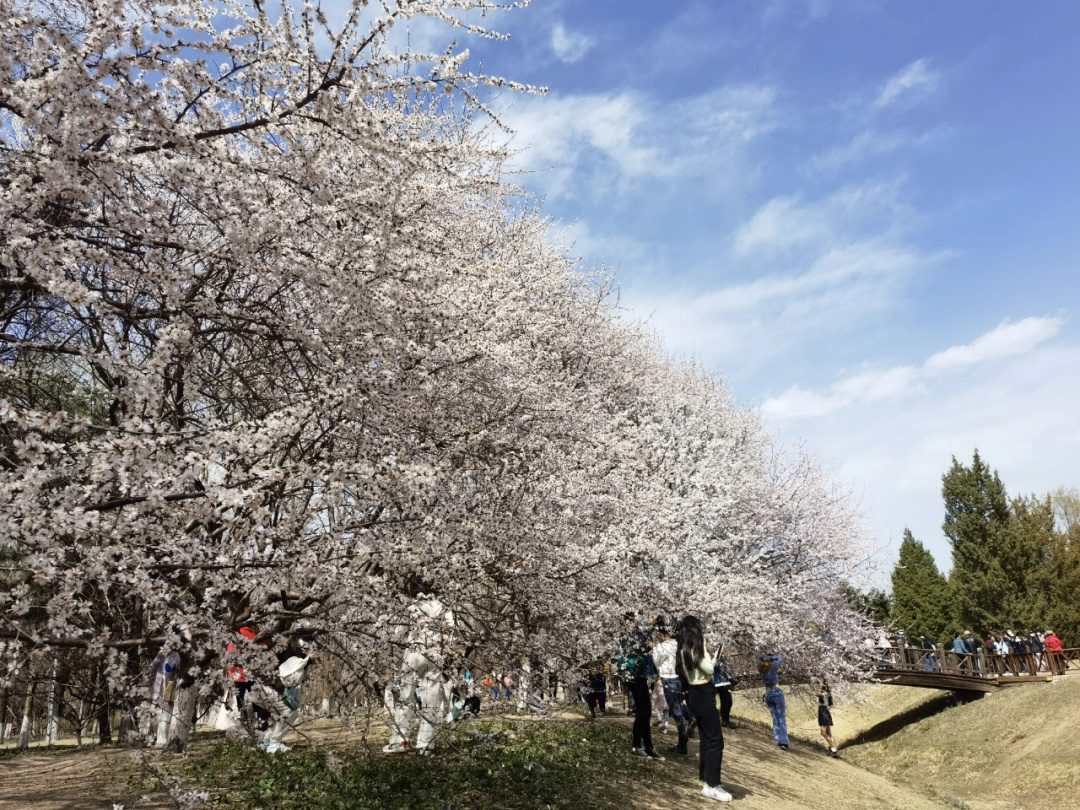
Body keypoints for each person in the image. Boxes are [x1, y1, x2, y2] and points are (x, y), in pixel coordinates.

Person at [383, 596, 455, 755]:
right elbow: (449, 635)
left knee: (405, 698)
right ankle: (425, 745)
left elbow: (397, 632)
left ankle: (399, 742)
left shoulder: (413, 605)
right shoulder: (444, 608)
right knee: (431, 701)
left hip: (414, 653)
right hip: (435, 655)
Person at [677, 615, 731, 803]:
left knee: (706, 739)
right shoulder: (695, 649)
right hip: (703, 694)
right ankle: (712, 785)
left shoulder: (683, 649)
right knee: (715, 740)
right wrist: (709, 653)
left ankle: (706, 778)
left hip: (694, 693)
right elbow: (708, 669)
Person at [617, 615, 663, 760]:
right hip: (634, 674)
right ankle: (636, 745)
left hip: (639, 674)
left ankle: (648, 746)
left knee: (645, 711)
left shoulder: (640, 633)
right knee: (644, 711)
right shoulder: (634, 633)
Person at [651, 620, 690, 755]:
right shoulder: (676, 644)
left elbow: (656, 663)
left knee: (676, 713)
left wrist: (655, 648)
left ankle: (682, 744)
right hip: (677, 679)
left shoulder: (661, 647)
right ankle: (683, 738)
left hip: (668, 679)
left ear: (661, 633)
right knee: (677, 708)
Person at [759, 653, 789, 749]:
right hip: (776, 692)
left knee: (775, 718)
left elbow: (758, 657)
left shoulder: (760, 668)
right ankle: (783, 741)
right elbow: (781, 657)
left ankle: (777, 739)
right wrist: (772, 657)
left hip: (768, 694)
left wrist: (765, 657)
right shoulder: (773, 667)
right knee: (781, 717)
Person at [712, 644, 737, 730]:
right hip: (720, 683)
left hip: (724, 682)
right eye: (722, 648)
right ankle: (725, 720)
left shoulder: (723, 659)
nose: (724, 650)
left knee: (726, 701)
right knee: (727, 701)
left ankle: (725, 719)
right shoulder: (717, 659)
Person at [818, 682, 838, 757]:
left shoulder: (823, 694)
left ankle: (833, 748)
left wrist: (820, 684)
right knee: (829, 733)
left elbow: (819, 693)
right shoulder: (828, 694)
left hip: (823, 712)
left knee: (823, 732)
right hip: (824, 712)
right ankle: (832, 749)